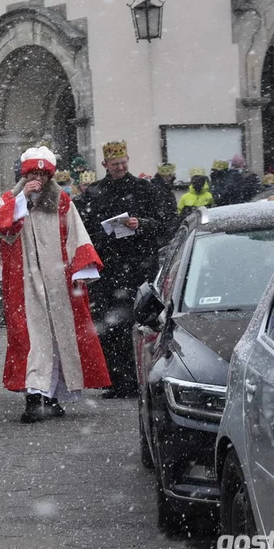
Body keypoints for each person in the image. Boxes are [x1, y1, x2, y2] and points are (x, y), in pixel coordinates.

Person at [0, 146, 110, 423]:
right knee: (31, 339)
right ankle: (33, 399)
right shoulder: (10, 200)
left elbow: (77, 234)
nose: (39, 180)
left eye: (44, 174)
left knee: (58, 339)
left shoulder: (62, 202)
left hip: (59, 284)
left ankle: (52, 398)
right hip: (25, 284)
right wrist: (22, 199)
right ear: (24, 175)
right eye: (33, 173)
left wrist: (82, 268)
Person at [77, 140, 172, 399]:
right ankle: (117, 380)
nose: (119, 167)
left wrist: (139, 224)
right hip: (109, 267)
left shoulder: (144, 189)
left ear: (127, 160)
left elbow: (164, 225)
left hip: (139, 265)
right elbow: (85, 228)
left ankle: (143, 377)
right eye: (114, 164)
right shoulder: (95, 192)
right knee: (110, 325)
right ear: (105, 165)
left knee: (140, 321)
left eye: (122, 163)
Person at [150, 163, 179, 238]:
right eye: (169, 175)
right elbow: (162, 212)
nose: (172, 177)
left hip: (165, 229)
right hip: (163, 231)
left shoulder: (165, 188)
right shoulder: (158, 190)